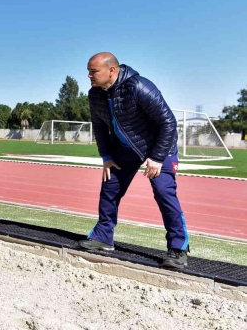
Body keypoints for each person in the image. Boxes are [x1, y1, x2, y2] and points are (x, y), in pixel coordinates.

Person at [78, 52, 190, 269]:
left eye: (94, 71)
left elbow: (168, 122)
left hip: (159, 148)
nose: (89, 76)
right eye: (88, 72)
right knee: (110, 188)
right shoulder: (95, 95)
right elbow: (100, 128)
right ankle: (103, 237)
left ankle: (178, 248)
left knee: (164, 192)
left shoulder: (139, 86)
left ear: (111, 70)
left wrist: (156, 158)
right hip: (125, 149)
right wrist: (107, 157)